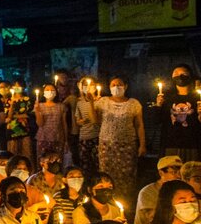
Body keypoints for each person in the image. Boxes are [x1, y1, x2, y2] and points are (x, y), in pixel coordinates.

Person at [90, 76, 147, 204]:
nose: (116, 87)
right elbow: (95, 121)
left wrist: (142, 145)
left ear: (125, 86)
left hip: (127, 146)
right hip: (107, 145)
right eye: (113, 85)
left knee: (126, 175)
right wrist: (91, 104)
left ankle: (125, 203)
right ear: (109, 88)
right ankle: (108, 201)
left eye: (119, 84)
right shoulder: (102, 101)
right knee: (107, 174)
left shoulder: (134, 103)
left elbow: (139, 125)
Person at [155, 64, 201, 162]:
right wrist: (158, 106)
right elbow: (158, 120)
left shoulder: (197, 97)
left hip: (193, 143)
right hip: (171, 143)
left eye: (183, 73)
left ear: (190, 75)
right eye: (176, 73)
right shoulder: (166, 97)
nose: (180, 76)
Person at [135, 154, 184, 224]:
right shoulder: (148, 192)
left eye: (180, 173)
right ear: (161, 173)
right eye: (174, 172)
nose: (178, 176)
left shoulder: (179, 191)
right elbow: (152, 218)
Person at [73, 77, 101, 176]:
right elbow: (78, 121)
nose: (88, 86)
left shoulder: (100, 101)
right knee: (85, 165)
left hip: (97, 137)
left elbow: (97, 120)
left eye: (91, 84)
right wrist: (82, 121)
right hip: (84, 137)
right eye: (85, 85)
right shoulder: (80, 102)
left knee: (98, 164)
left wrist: (92, 102)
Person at [34, 83, 68, 161]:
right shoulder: (40, 106)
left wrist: (66, 140)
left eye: (52, 90)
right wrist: (37, 111)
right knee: (43, 162)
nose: (50, 91)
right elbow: (40, 124)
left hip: (58, 137)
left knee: (57, 162)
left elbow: (64, 124)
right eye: (47, 90)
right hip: (43, 138)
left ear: (56, 92)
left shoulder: (61, 106)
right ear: (43, 92)